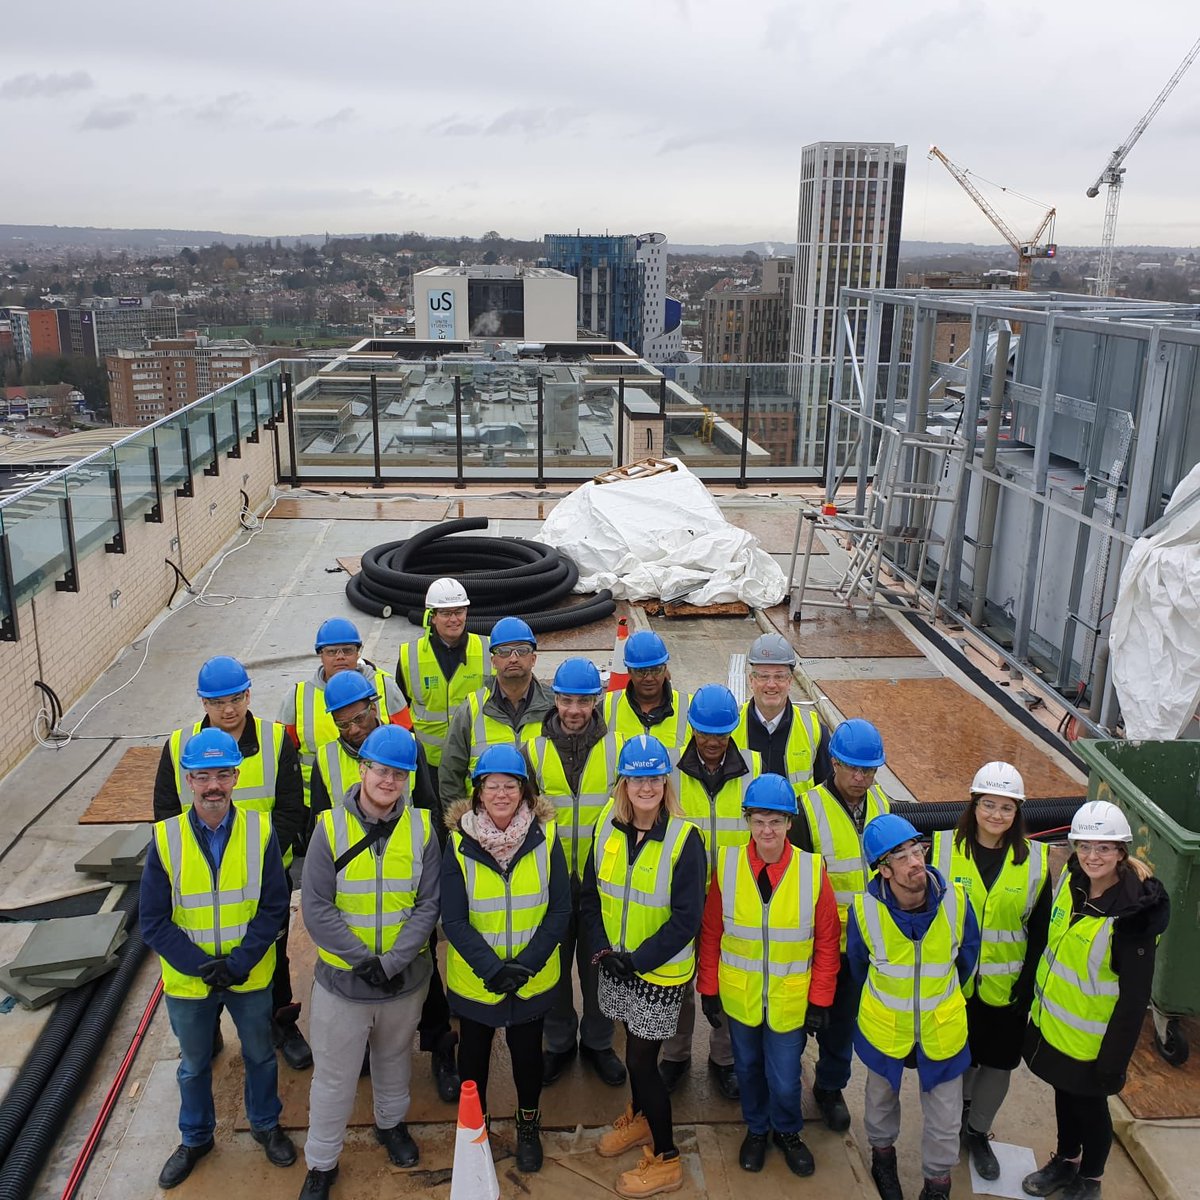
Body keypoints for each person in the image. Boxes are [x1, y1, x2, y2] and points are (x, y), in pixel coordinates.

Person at [140, 729, 296, 1189]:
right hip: (191, 984)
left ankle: (266, 1126)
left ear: (236, 776)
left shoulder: (259, 831)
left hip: (247, 978)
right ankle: (195, 1137)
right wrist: (200, 965)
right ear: (187, 780)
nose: (213, 785)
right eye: (202, 775)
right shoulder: (165, 839)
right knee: (192, 1065)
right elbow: (152, 919)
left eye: (222, 774)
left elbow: (274, 906)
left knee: (261, 1056)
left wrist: (240, 962)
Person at [299, 726, 441, 1200]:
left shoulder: (421, 829)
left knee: (394, 1059)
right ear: (363, 770)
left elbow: (428, 904)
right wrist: (364, 961)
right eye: (381, 770)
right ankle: (321, 1162)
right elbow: (316, 907)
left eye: (399, 774)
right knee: (334, 1077)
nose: (389, 781)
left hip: (402, 982)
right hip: (345, 983)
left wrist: (395, 961)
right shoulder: (329, 828)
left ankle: (390, 1125)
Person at [309, 667, 459, 1104]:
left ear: (374, 708)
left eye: (359, 718)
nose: (353, 729)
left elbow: (430, 810)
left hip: (404, 886)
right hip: (354, 892)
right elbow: (323, 822)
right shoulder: (326, 759)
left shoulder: (403, 746)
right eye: (343, 723)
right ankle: (364, 1048)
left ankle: (440, 1049)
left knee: (425, 972)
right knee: (357, 979)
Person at [154, 655, 311, 1071]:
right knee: (200, 951)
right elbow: (166, 812)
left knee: (270, 955)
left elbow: (292, 809)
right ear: (203, 702)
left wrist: (255, 858)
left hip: (263, 873)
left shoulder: (276, 740)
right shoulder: (178, 745)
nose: (228, 709)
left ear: (248, 694)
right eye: (217, 701)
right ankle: (206, 1027)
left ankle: (281, 1024)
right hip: (199, 874)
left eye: (236, 698)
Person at [1021, 801, 1169, 1200]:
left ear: (1121, 852)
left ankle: (1091, 1178)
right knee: (1064, 1096)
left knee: (1090, 1108)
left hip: (1094, 1043)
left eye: (1103, 848)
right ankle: (1066, 1160)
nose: (1092, 856)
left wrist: (1113, 1063)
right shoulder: (1073, 884)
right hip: (1055, 1027)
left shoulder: (1132, 917)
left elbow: (1134, 999)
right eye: (1084, 846)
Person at [580, 735, 707, 1199]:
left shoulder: (684, 839)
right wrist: (601, 951)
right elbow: (591, 894)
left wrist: (637, 961)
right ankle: (640, 1119)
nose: (647, 786)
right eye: (638, 778)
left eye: (655, 777)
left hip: (656, 974)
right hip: (617, 966)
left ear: (665, 782)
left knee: (640, 1061)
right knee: (636, 1054)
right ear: (624, 783)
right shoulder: (606, 825)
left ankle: (668, 1157)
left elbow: (686, 919)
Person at [696, 774, 841, 1177]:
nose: (767, 830)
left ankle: (788, 1131)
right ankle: (757, 1130)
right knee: (746, 1071)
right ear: (747, 821)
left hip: (789, 999)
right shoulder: (727, 865)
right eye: (759, 820)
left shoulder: (812, 871)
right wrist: (708, 988)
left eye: (776, 821)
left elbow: (827, 942)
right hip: (740, 997)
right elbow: (712, 932)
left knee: (785, 1079)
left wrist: (820, 999)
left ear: (790, 823)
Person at [440, 745, 571, 1173]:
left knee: (527, 1058)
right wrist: (493, 969)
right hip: (478, 981)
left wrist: (527, 965)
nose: (501, 794)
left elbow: (559, 910)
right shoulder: (459, 843)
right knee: (473, 1061)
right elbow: (454, 920)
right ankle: (475, 1131)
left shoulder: (546, 837)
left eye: (510, 785)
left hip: (530, 980)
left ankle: (527, 1126)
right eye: (491, 785)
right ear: (478, 793)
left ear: (524, 792)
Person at [847, 813, 981, 1200]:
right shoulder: (865, 911)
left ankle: (937, 1184)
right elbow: (859, 966)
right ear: (884, 870)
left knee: (944, 1118)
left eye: (916, 850)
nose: (915, 862)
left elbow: (967, 958)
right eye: (900, 857)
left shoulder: (956, 902)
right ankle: (882, 1159)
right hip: (887, 1029)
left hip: (942, 1030)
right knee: (879, 1102)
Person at [930, 762, 1051, 1181]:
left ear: (1017, 813)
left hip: (1007, 987)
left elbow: (1040, 929)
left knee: (998, 1065)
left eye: (1006, 808)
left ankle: (978, 1132)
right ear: (974, 805)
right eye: (988, 805)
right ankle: (956, 1115)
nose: (996, 815)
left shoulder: (1036, 860)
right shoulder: (943, 849)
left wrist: (1028, 985)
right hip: (953, 982)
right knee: (958, 1057)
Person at [527, 658, 626, 1088]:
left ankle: (599, 1043)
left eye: (583, 701)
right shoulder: (531, 750)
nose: (574, 710)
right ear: (555, 700)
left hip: (601, 885)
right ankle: (560, 1041)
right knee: (553, 968)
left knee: (598, 967)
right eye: (566, 700)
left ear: (596, 701)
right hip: (549, 884)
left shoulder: (619, 748)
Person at [660, 684, 762, 1100]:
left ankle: (724, 1059)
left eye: (721, 734)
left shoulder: (753, 767)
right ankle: (676, 1054)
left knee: (727, 979)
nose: (713, 742)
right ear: (692, 729)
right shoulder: (670, 771)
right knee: (679, 981)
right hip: (682, 899)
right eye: (704, 733)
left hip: (736, 899)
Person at [797, 717, 893, 1133]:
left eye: (869, 770)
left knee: (844, 1025)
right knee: (800, 1020)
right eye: (853, 768)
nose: (861, 778)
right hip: (816, 944)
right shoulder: (807, 809)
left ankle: (830, 1088)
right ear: (833, 762)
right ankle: (782, 1085)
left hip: (861, 944)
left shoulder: (883, 806)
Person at [279, 616, 412, 805]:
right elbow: (284, 757)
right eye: (332, 651)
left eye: (348, 650)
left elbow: (407, 740)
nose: (340, 657)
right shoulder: (297, 697)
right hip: (322, 805)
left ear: (358, 652)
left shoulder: (385, 686)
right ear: (320, 654)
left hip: (387, 801)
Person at [438, 616, 554, 807]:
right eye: (504, 652)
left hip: (538, 825)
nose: (513, 658)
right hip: (482, 827)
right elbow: (450, 774)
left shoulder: (553, 709)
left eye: (522, 650)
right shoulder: (471, 709)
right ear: (493, 661)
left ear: (533, 659)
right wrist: (462, 823)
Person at [396, 576, 490, 797]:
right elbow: (400, 710)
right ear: (432, 616)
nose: (454, 619)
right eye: (446, 613)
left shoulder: (487, 650)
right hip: (428, 763)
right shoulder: (410, 655)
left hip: (473, 759)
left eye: (459, 612)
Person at [734, 632, 831, 791]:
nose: (771, 685)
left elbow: (827, 793)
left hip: (796, 816)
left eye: (779, 677)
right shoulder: (732, 727)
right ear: (751, 680)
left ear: (789, 681)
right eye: (764, 677)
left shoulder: (815, 731)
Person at [603, 630, 691, 756]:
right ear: (629, 671)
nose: (649, 678)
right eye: (641, 671)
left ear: (665, 669)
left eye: (656, 670)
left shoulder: (690, 708)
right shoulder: (606, 708)